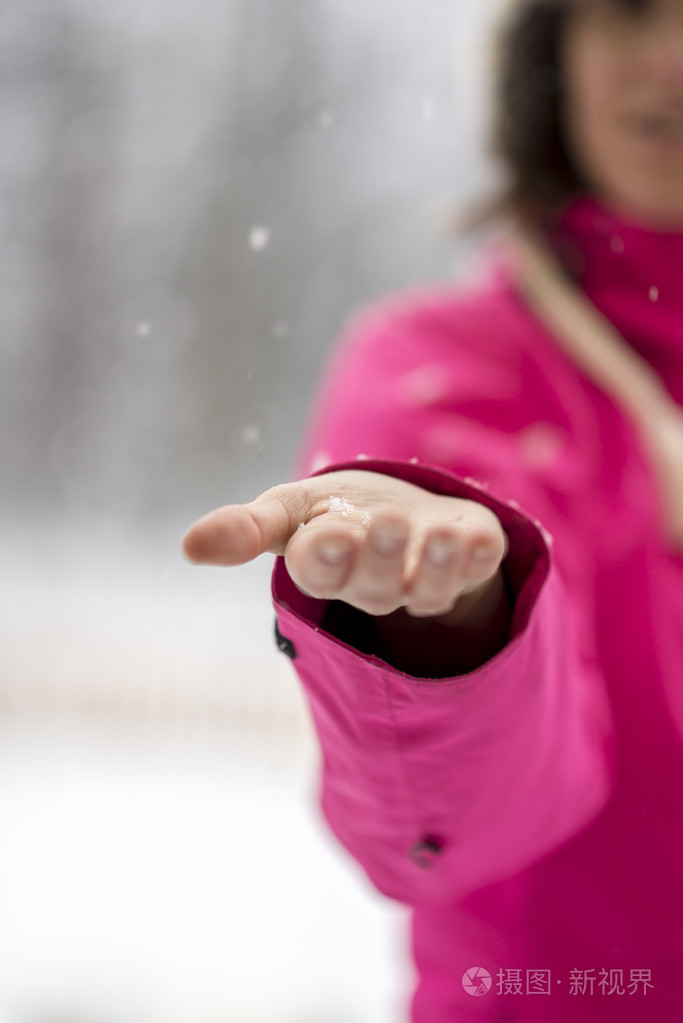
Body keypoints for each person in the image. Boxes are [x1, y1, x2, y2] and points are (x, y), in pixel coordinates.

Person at [181, 0, 683, 1018]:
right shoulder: (441, 375)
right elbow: (460, 828)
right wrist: (446, 630)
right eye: (628, 7)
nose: (670, 56)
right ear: (548, 57)